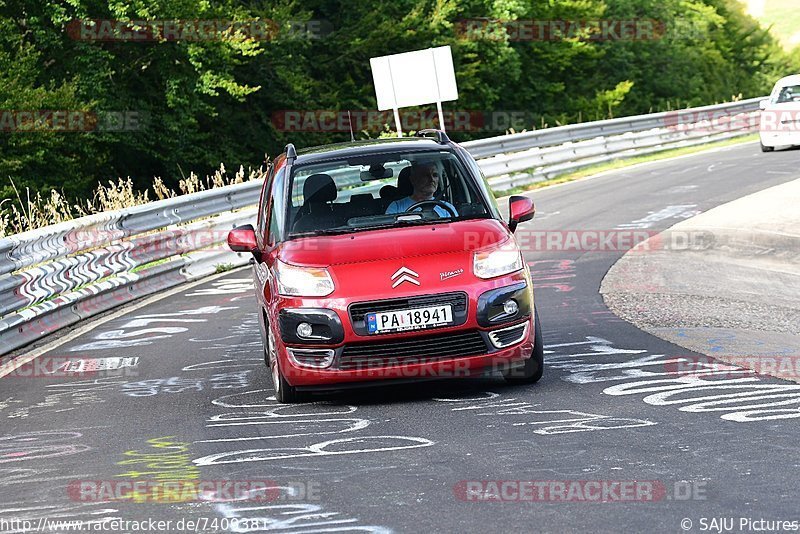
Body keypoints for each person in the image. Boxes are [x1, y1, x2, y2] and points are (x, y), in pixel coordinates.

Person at [385, 162, 458, 217]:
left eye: (435, 175)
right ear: (413, 179)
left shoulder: (447, 208)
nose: (431, 179)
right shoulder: (396, 207)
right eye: (425, 175)